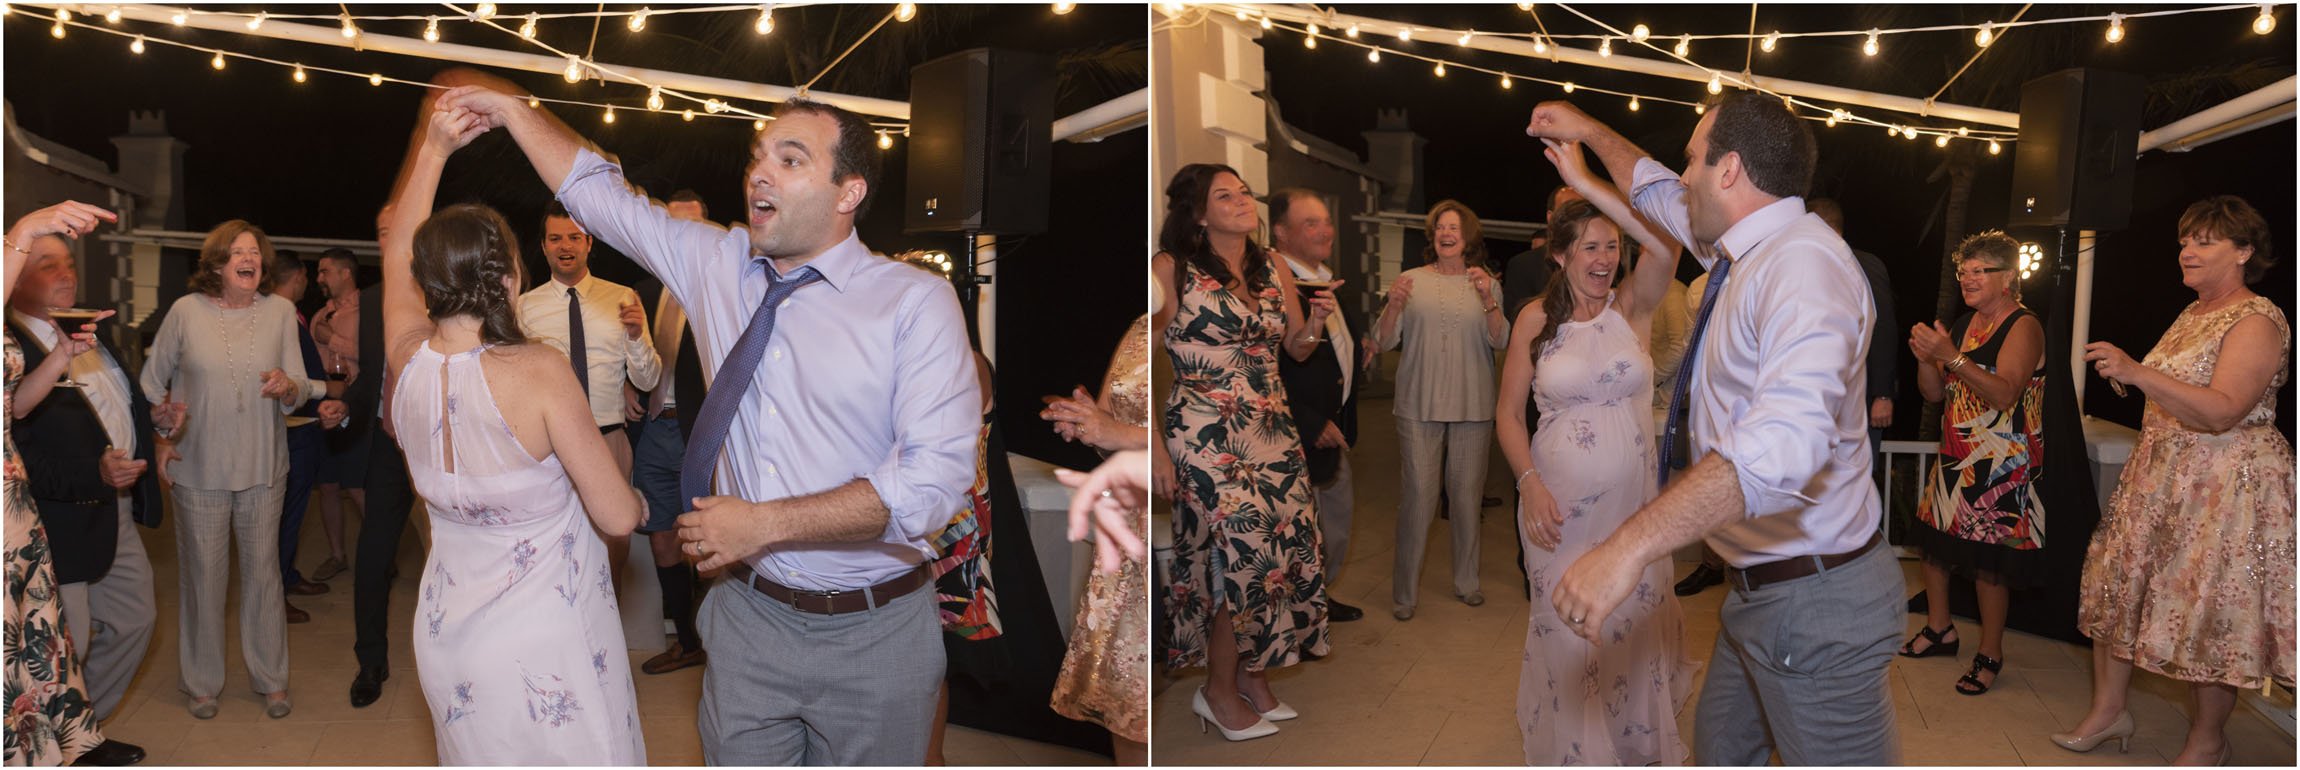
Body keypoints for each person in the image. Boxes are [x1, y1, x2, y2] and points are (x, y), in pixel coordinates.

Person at [438, 72, 982, 765]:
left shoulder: (914, 303)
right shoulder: (718, 264)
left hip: (874, 632)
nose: (761, 171)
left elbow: (932, 484)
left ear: (849, 193)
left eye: (791, 159)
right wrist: (515, 109)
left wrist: (765, 523)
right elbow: (601, 198)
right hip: (749, 618)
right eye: (759, 156)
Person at [1531, 92, 1899, 764]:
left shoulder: (1803, 266)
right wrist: (1588, 130)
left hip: (1815, 605)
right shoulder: (1740, 249)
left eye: (1694, 159)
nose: (1684, 174)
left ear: (1729, 171)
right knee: (1721, 751)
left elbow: (1784, 446)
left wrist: (1627, 547)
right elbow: (1654, 190)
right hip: (1759, 593)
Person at [382, 102, 646, 763]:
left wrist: (433, 149)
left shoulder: (406, 359)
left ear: (424, 280)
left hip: (448, 638)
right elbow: (615, 515)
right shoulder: (538, 370)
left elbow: (393, 246)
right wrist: (640, 500)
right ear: (508, 280)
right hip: (542, 648)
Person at [2065, 195, 2293, 765]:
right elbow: (2177, 390)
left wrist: (2139, 372)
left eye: (2203, 241)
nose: (2187, 251)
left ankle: (2208, 739)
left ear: (2243, 252)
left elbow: (2222, 410)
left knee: (2208, 610)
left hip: (2223, 488)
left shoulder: (2256, 319)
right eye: (2185, 241)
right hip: (2161, 476)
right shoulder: (2192, 312)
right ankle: (2109, 712)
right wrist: (2138, 382)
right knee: (2120, 587)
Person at [1497, 135, 1694, 764]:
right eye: (1590, 246)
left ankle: (1631, 748)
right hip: (1555, 510)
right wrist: (1528, 483)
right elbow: (1507, 414)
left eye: (1612, 245)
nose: (1605, 258)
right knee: (1566, 631)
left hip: (1633, 512)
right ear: (1560, 255)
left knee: (1626, 629)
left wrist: (1587, 185)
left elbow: (1666, 241)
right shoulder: (1535, 320)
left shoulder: (1632, 307)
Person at [1152, 163, 1331, 741]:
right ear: (1199, 214)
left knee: (1285, 554)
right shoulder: (1172, 270)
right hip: (1206, 433)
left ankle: (1252, 677)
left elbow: (1297, 350)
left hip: (1273, 429)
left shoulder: (1272, 266)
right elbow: (1138, 357)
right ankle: (1217, 691)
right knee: (1246, 563)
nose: (1240, 201)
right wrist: (1154, 447)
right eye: (1222, 195)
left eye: (1244, 191)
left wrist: (1319, 322)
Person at [141, 219, 328, 720]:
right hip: (199, 466)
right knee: (204, 578)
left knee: (264, 576)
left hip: (264, 466)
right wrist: (162, 426)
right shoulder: (185, 312)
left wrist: (287, 385)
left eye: (255, 252)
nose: (249, 258)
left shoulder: (282, 312)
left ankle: (271, 679)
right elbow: (151, 381)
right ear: (218, 264)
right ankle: (202, 682)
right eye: (237, 251)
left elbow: (303, 386)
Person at [3, 210, 141, 767]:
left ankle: (59, 748)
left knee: (36, 647)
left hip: (15, 504)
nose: (65, 273)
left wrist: (61, 354)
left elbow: (8, 408)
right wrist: (27, 228)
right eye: (45, 263)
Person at [1901, 230, 2045, 697]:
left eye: (1979, 270)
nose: (1968, 278)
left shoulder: (2023, 325)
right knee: (1935, 550)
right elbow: (1934, 393)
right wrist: (1928, 359)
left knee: (1989, 567)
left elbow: (2005, 392)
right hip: (1957, 456)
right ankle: (1941, 630)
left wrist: (1951, 356)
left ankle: (1990, 653)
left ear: (2009, 278)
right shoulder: (1964, 324)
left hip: (2002, 463)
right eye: (1963, 270)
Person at [1371, 199, 1508, 621]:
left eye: (1454, 227)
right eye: (1439, 228)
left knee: (1467, 498)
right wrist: (1393, 304)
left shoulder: (1486, 283)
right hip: (1418, 404)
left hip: (1473, 404)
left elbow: (1500, 341)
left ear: (1468, 237)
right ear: (1433, 238)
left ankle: (1467, 582)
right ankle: (1404, 592)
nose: (1446, 234)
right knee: (1419, 497)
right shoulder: (1409, 280)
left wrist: (1488, 298)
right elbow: (1384, 341)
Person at [517, 202, 661, 589]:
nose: (566, 245)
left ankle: (605, 634)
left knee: (613, 545)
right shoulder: (524, 308)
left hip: (609, 440)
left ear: (589, 243)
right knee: (550, 547)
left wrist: (635, 338)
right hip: (549, 447)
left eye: (574, 238)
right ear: (544, 246)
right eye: (556, 238)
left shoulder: (623, 297)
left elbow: (647, 380)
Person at [1041, 315, 1151, 762]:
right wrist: (1087, 422)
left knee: (1142, 683)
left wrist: (1114, 432)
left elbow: (1203, 434)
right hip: (1125, 521)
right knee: (1122, 693)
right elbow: (1110, 429)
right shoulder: (1140, 327)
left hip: (1176, 509)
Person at [1267, 188, 1366, 623]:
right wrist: (1308, 422)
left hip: (1332, 427)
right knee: (1299, 530)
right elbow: (1266, 367)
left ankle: (1316, 601)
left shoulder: (1321, 275)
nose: (1325, 230)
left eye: (1326, 220)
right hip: (1298, 431)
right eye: (1311, 223)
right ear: (1282, 233)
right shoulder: (1274, 285)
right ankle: (1299, 614)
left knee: (1331, 524)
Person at [627, 189, 712, 676]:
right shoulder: (641, 289)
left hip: (700, 434)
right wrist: (623, 386)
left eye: (691, 225)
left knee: (708, 544)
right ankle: (687, 641)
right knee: (662, 542)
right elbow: (629, 352)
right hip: (653, 433)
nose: (681, 235)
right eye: (672, 224)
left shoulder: (723, 288)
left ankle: (722, 647)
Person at [348, 206, 422, 709]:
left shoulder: (446, 291)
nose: (389, 240)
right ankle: (370, 661)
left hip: (443, 446)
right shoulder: (370, 301)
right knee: (372, 558)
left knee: (459, 556)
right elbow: (371, 378)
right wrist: (339, 404)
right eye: (381, 233)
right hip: (386, 446)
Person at [266, 254, 346, 624]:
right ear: (297, 277)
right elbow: (290, 381)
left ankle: (289, 576)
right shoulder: (278, 316)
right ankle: (275, 592)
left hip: (303, 426)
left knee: (294, 515)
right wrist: (328, 387)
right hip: (293, 428)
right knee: (284, 516)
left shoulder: (291, 315)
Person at [1808, 200, 1899, 468]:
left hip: (1858, 402)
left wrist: (1883, 394)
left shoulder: (1862, 264)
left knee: (1853, 483)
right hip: (1818, 399)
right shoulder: (1807, 264)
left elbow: (1883, 326)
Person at [307, 248, 367, 584]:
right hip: (326, 408)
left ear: (345, 273)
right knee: (328, 485)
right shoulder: (319, 316)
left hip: (357, 408)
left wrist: (334, 340)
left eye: (324, 271)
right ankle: (337, 556)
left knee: (358, 486)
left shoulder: (368, 312)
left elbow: (372, 357)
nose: (319, 279)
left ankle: (379, 553)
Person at [1501, 184, 1587, 322]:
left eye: (1582, 210)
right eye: (1568, 209)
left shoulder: (1597, 263)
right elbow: (1515, 322)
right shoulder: (1523, 266)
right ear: (1550, 217)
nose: (1575, 217)